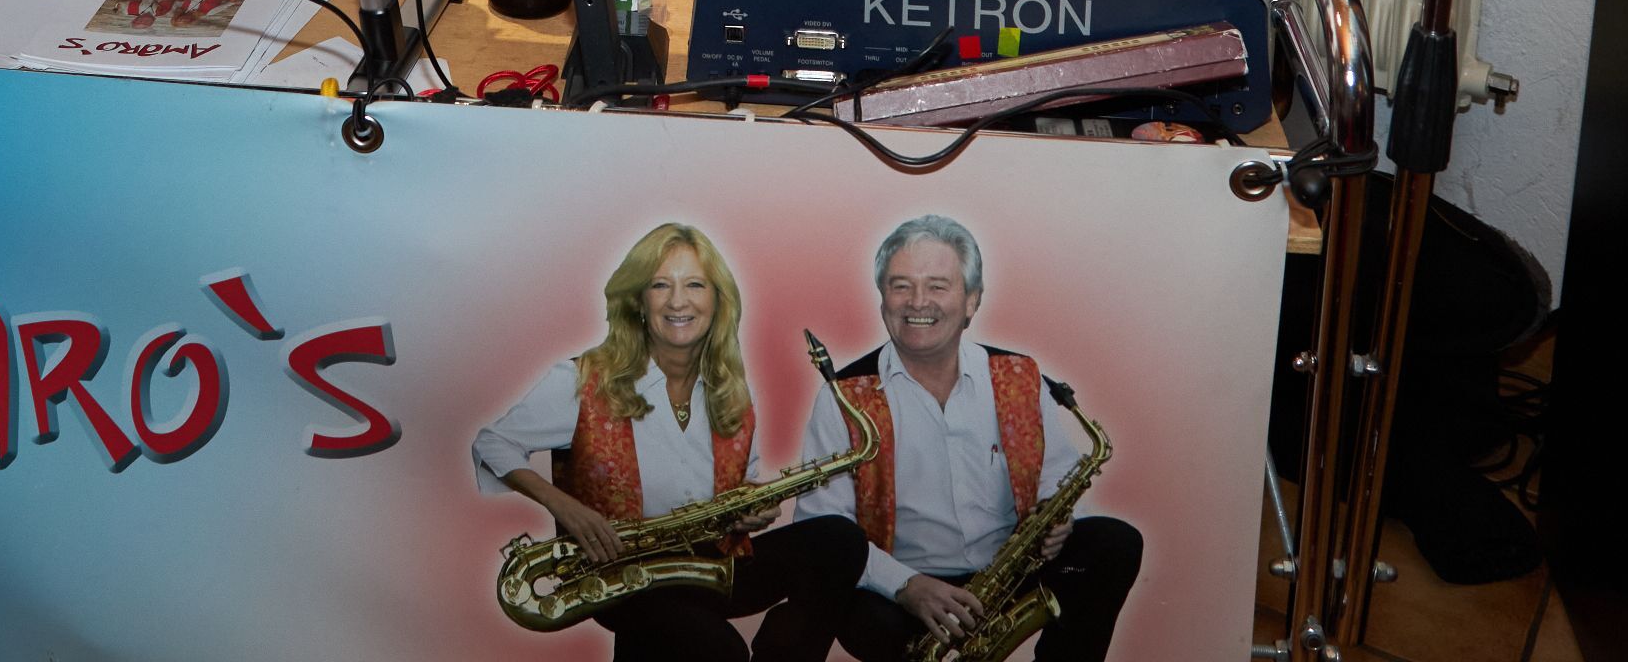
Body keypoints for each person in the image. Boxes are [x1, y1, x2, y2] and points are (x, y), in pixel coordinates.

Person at [473, 223, 863, 662]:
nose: (679, 301)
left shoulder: (732, 388)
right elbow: (493, 443)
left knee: (839, 541)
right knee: (719, 651)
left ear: (718, 301)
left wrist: (753, 508)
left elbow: (743, 480)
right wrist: (566, 508)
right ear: (638, 300)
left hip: (710, 564)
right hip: (624, 574)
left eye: (695, 285)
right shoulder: (582, 379)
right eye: (661, 285)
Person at [789, 216, 1142, 660]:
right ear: (882, 299)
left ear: (972, 300)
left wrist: (1059, 522)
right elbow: (823, 527)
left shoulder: (1020, 376)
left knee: (1114, 543)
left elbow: (1057, 478)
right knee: (863, 617)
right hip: (903, 587)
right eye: (901, 286)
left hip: (1011, 572)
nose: (918, 302)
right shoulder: (843, 397)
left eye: (938, 286)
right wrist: (906, 585)